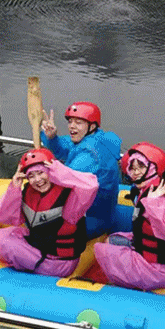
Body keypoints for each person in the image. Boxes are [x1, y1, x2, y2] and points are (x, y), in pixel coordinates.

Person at [93, 142, 165, 290]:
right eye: (132, 168)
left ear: (152, 167)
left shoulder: (158, 198)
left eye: (141, 167)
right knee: (111, 240)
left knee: (101, 250)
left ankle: (124, 286)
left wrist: (153, 204)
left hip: (161, 270)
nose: (135, 173)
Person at [0, 148, 98, 277]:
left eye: (41, 173)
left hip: (57, 263)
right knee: (5, 234)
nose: (37, 180)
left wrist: (60, 170)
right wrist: (14, 187)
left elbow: (91, 186)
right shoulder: (28, 192)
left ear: (51, 171)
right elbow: (4, 217)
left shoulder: (68, 198)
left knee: (4, 243)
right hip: (39, 249)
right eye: (31, 176)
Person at [40, 102, 121, 239]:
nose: (72, 126)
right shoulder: (94, 138)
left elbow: (63, 183)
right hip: (103, 211)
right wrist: (52, 138)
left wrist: (37, 175)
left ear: (92, 126)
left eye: (78, 123)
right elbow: (64, 147)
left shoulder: (90, 156)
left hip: (92, 218)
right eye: (70, 121)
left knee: (39, 227)